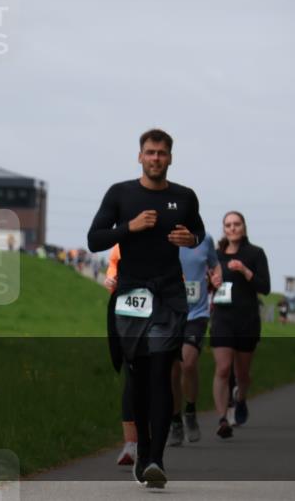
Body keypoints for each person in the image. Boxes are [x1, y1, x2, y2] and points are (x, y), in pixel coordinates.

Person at [87, 128, 205, 489]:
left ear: (170, 158)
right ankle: (142, 451)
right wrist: (130, 227)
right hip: (132, 295)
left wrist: (191, 239)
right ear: (140, 156)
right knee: (137, 376)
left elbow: (198, 233)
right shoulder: (121, 194)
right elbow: (94, 240)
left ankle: (156, 458)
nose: (156, 158)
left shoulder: (184, 197)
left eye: (162, 153)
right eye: (150, 152)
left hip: (168, 295)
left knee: (160, 371)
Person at [209, 211, 270, 437]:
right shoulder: (216, 256)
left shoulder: (255, 253)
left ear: (244, 227)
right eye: (228, 225)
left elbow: (265, 287)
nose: (232, 228)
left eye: (236, 224)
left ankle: (241, 399)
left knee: (242, 374)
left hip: (246, 319)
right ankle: (222, 419)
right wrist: (212, 281)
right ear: (224, 229)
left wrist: (245, 271)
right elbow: (207, 284)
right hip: (222, 318)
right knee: (223, 368)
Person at [169, 233, 221, 445]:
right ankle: (175, 421)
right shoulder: (164, 236)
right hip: (169, 313)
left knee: (188, 363)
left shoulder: (204, 239)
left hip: (196, 314)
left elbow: (215, 265)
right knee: (172, 370)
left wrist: (217, 277)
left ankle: (190, 412)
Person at [105, 244, 139, 467]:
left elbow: (178, 279)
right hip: (127, 316)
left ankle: (153, 438)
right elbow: (112, 269)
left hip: (157, 318)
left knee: (154, 378)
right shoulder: (120, 243)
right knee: (131, 377)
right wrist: (110, 281)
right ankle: (131, 443)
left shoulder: (164, 238)